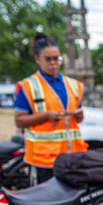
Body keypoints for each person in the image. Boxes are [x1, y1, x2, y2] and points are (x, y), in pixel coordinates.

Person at [14, 32, 85, 184]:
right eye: (48, 59)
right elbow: (19, 121)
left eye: (56, 58)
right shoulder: (28, 86)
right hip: (43, 161)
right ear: (37, 59)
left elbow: (79, 117)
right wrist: (46, 115)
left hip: (71, 158)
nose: (53, 63)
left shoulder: (73, 85)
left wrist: (79, 115)